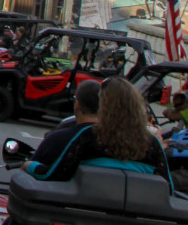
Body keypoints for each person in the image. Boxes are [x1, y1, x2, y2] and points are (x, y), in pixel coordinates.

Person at [25, 77, 170, 183]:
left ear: (105, 106)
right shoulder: (152, 144)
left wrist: (30, 165)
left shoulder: (88, 137)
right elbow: (167, 188)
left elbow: (53, 175)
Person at [28, 81, 101, 170]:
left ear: (77, 104)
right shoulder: (113, 142)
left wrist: (26, 166)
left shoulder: (57, 139)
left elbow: (35, 168)